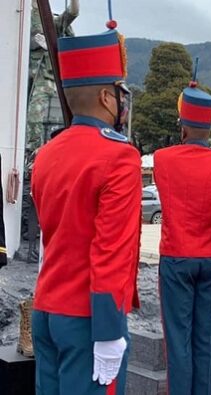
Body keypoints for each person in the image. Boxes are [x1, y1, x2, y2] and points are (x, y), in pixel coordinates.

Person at [30, 21, 140, 395]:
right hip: (89, 319)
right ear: (108, 98)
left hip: (47, 307)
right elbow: (111, 251)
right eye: (120, 93)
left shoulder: (47, 153)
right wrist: (109, 333)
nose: (123, 102)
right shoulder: (118, 157)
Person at [154, 71, 211, 395]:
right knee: (206, 341)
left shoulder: (163, 160)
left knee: (178, 342)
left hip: (176, 258)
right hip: (210, 259)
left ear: (183, 124)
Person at [19, 0, 80, 264]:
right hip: (24, 89)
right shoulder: (19, 16)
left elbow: (72, 13)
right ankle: (26, 235)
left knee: (46, 150)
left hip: (47, 93)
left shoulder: (47, 18)